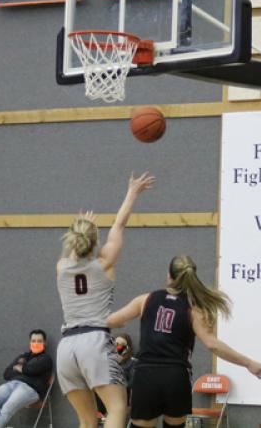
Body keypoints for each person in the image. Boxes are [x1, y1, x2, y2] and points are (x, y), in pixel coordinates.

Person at [107, 254, 261, 428]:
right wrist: (248, 363)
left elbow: (112, 320)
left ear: (168, 275)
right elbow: (212, 344)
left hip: (146, 376)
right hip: (176, 377)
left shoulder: (145, 300)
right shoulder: (193, 309)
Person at [56, 172, 155, 428]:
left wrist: (81, 226)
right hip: (94, 340)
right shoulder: (105, 263)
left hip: (66, 347)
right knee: (117, 407)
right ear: (95, 241)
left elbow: (76, 249)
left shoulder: (61, 266)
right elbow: (118, 226)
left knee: (86, 421)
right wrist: (132, 192)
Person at [0, 329, 53, 428]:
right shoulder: (23, 356)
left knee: (7, 407)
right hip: (12, 384)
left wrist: (20, 368)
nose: (36, 343)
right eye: (33, 341)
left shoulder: (46, 359)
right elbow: (6, 373)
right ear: (30, 342)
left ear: (45, 342)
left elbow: (31, 369)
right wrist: (23, 370)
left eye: (39, 341)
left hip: (30, 389)